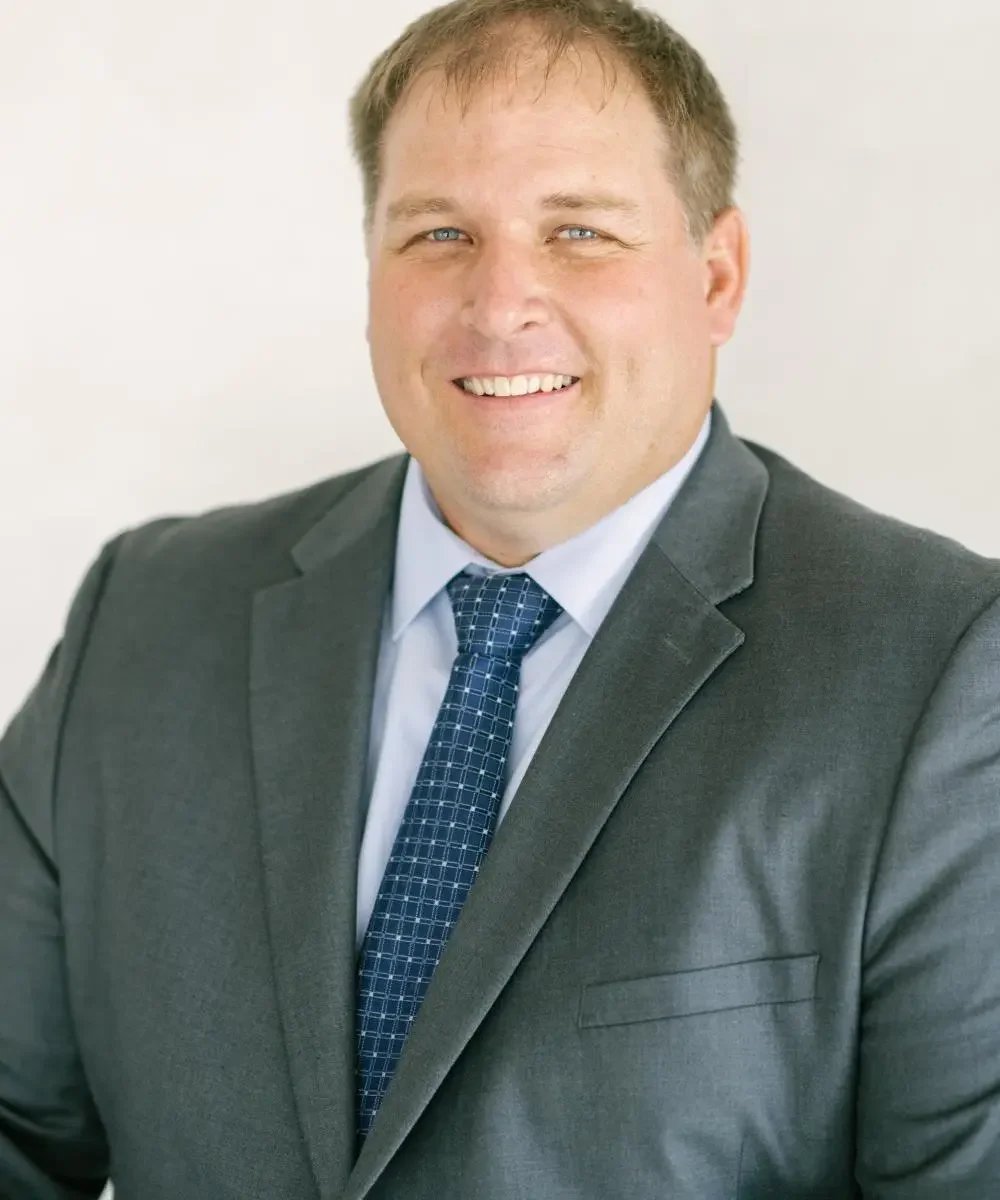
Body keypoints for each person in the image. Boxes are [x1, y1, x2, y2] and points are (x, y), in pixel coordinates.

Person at [2, 0, 999, 1195]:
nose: (498, 303)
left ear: (717, 273)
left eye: (578, 230)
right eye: (437, 235)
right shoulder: (147, 619)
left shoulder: (938, 671)